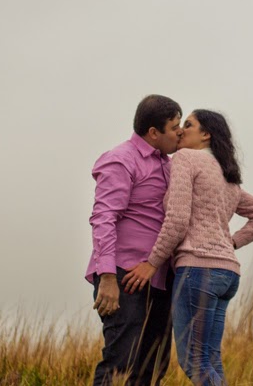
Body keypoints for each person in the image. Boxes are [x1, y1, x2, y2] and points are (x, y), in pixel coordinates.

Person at [121, 109, 253, 386]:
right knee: (210, 360)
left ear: (206, 135)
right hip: (227, 275)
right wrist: (229, 243)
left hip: (198, 270)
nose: (181, 131)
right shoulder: (225, 173)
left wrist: (152, 263)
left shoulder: (186, 159)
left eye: (188, 125)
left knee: (194, 361)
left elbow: (178, 219)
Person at [85, 94, 183, 385]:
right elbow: (104, 217)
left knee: (153, 367)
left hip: (160, 278)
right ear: (154, 133)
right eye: (174, 127)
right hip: (123, 276)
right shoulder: (121, 160)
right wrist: (107, 277)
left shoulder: (170, 165)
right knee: (121, 364)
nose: (179, 132)